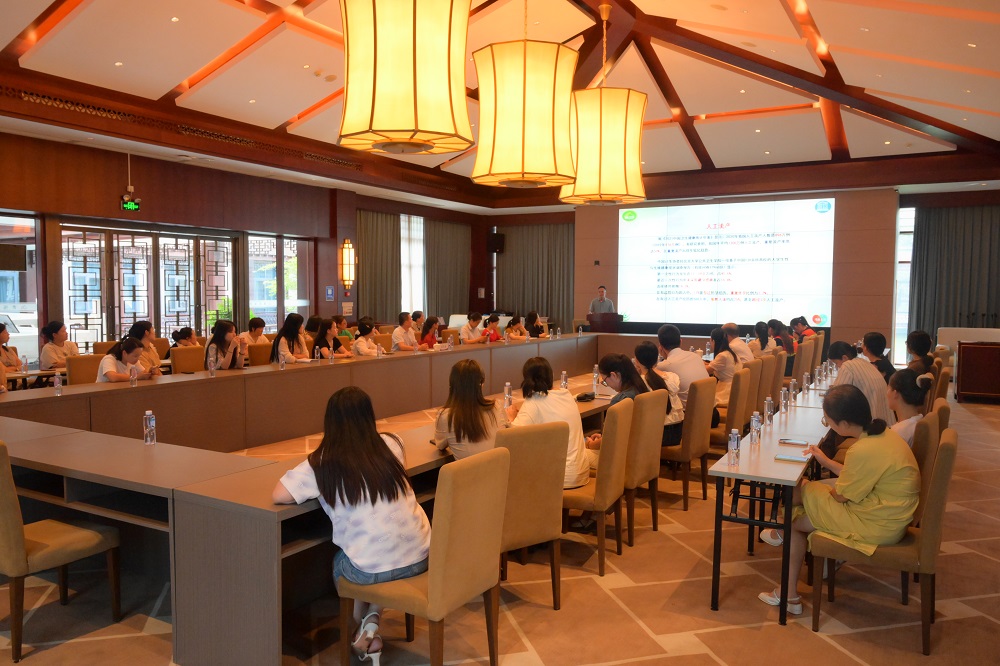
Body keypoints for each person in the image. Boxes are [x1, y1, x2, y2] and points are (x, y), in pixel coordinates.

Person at [272, 387, 430, 665]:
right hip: (422, 555)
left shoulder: (321, 462)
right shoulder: (392, 444)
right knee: (383, 553)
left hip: (373, 569)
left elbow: (279, 495)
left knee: (345, 562)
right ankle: (372, 622)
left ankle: (361, 627)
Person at [757, 384, 919, 615]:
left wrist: (824, 492)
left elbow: (842, 496)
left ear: (843, 424)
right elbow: (858, 476)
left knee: (799, 493)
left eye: (828, 420)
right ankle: (786, 578)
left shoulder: (862, 449)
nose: (828, 424)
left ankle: (787, 581)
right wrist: (826, 462)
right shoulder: (883, 434)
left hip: (877, 524)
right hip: (888, 514)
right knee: (802, 502)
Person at [507, 357, 590, 488]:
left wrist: (511, 417)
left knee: (513, 468)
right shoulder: (566, 394)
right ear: (551, 374)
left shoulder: (533, 402)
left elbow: (512, 437)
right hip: (582, 473)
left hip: (559, 479)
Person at [433, 360, 509, 460]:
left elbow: (440, 444)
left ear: (451, 385)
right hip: (500, 468)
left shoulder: (446, 416)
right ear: (481, 384)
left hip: (469, 470)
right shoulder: (497, 407)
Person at [584, 354, 648, 459]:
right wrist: (603, 436)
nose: (607, 385)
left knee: (577, 456)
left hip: (619, 459)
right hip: (640, 454)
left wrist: (590, 445)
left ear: (613, 375)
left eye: (605, 381)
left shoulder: (621, 400)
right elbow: (620, 433)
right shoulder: (641, 390)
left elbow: (610, 441)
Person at [828, 341, 896, 425]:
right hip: (886, 421)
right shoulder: (864, 362)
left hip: (873, 424)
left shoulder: (847, 365)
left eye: (836, 363)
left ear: (844, 358)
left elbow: (836, 398)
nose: (837, 367)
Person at [634, 341, 684, 446]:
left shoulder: (641, 382)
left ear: (637, 361)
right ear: (657, 359)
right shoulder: (672, 377)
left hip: (660, 435)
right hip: (678, 432)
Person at [655, 324, 709, 407]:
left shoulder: (665, 365)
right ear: (681, 341)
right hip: (711, 410)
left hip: (688, 413)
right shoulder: (696, 356)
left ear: (660, 346)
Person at [887, 369, 934, 446]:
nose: (886, 393)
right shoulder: (918, 421)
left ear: (895, 393)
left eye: (888, 388)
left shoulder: (898, 433)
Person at [706, 327, 742, 406]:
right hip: (735, 389)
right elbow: (713, 365)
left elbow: (705, 371)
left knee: (704, 399)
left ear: (713, 341)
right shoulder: (730, 353)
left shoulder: (722, 356)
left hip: (726, 393)